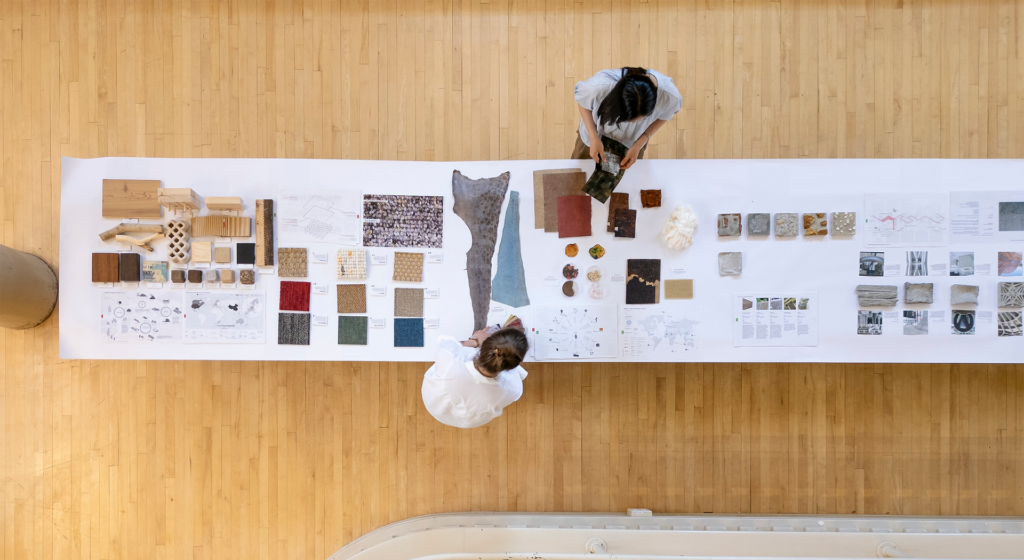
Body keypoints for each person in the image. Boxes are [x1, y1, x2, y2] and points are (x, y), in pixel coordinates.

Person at [573, 66, 683, 169]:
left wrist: (640, 142)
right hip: (594, 134)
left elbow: (665, 115)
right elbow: (583, 103)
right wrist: (593, 138)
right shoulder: (597, 88)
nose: (634, 123)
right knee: (580, 169)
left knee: (630, 176)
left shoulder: (670, 97)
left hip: (633, 142)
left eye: (641, 119)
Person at [421, 327, 529, 429]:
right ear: (512, 366)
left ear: (485, 344)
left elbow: (444, 343)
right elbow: (515, 378)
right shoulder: (512, 388)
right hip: (468, 420)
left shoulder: (452, 359)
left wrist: (475, 341)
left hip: (434, 404)